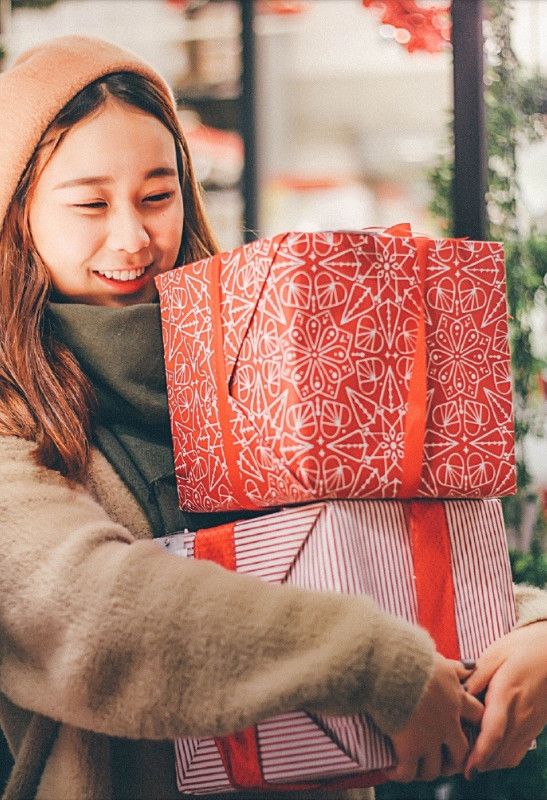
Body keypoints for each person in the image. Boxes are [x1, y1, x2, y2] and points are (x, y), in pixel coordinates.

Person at [0, 34, 544, 800]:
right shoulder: (11, 412)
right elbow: (91, 611)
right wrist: (370, 664)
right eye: (90, 203)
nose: (132, 237)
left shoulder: (251, 357)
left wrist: (528, 631)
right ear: (16, 212)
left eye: (158, 195)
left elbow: (369, 545)